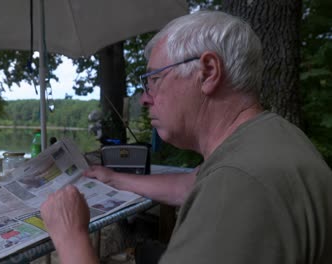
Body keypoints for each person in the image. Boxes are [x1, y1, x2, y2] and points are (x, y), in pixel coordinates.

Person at [40, 10, 332, 264]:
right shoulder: (266, 138)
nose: (145, 98)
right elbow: (192, 184)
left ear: (207, 73)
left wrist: (70, 235)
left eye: (154, 79)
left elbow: (221, 187)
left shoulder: (238, 185)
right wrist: (112, 178)